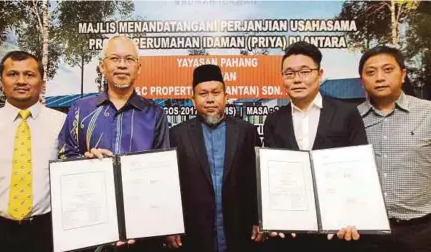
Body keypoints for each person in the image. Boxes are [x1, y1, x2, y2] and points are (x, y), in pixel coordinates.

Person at [58, 35, 170, 252]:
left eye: (129, 59)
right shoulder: (80, 110)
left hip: (143, 230)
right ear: (102, 65)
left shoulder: (155, 114)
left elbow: (162, 175)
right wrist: (85, 161)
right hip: (91, 226)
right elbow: (64, 158)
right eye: (114, 58)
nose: (121, 65)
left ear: (139, 67)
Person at [263, 41, 368, 251]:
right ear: (283, 78)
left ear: (319, 74)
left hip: (337, 230)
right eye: (289, 73)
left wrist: (354, 216)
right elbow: (271, 176)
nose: (297, 79)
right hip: (290, 233)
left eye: (304, 71)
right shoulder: (274, 120)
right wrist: (273, 219)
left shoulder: (346, 113)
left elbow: (359, 170)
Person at [167, 64, 263, 252]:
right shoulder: (177, 135)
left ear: (226, 96)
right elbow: (170, 186)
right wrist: (171, 226)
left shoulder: (246, 132)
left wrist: (259, 219)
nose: (210, 99)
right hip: (194, 236)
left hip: (239, 233)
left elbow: (258, 180)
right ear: (193, 99)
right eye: (203, 94)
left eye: (216, 92)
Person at [357, 45, 431, 252]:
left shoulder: (428, 113)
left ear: (403, 74)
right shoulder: (350, 119)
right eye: (371, 72)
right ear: (362, 81)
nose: (379, 77)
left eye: (388, 70)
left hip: (420, 232)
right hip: (365, 233)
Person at [0, 50, 66, 251]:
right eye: (13, 74)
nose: (21, 81)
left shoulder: (63, 124)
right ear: (1, 81)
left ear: (42, 83)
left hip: (46, 232)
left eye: (29, 75)